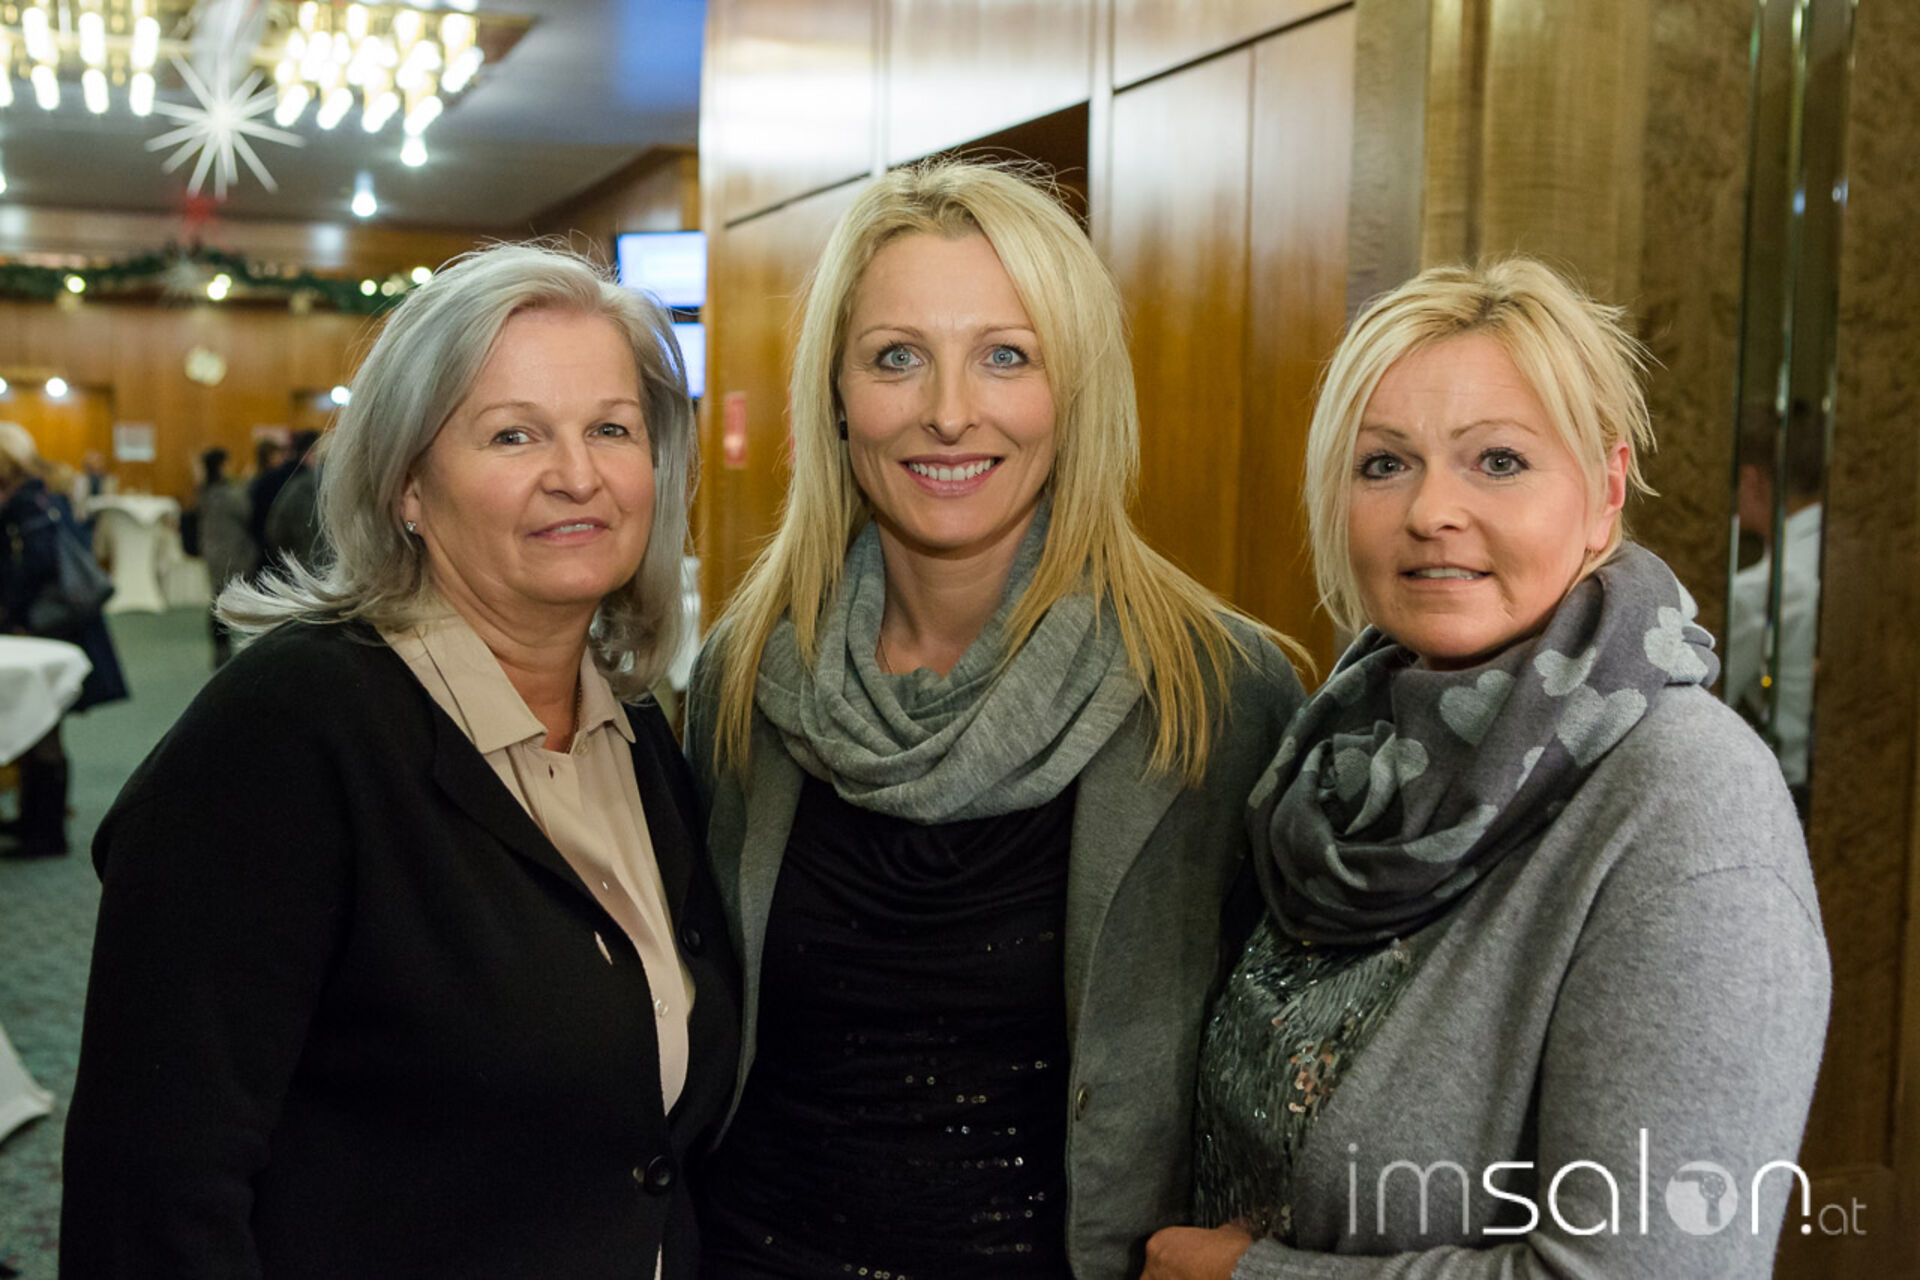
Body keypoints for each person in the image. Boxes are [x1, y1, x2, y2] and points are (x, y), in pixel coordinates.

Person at [61, 244, 740, 1278]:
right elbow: (153, 1193)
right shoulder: (284, 736)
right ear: (407, 486)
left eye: (612, 428)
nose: (579, 475)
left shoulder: (637, 730)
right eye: (513, 433)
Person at [684, 160, 1307, 1279]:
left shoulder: (1214, 692)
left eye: (1006, 355)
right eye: (897, 356)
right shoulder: (746, 674)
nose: (949, 410)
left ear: (1075, 392)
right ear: (836, 393)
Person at [1148, 258, 1831, 1278]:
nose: (1431, 510)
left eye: (1499, 461)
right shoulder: (1332, 760)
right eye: (1385, 463)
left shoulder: (1689, 802)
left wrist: (1251, 1278)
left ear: (1604, 493)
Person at [0, 421, 128, 858]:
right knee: (42, 723)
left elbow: (34, 564)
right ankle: (35, 821)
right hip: (55, 623)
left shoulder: (25, 501)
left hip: (42, 624)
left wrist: (11, 612)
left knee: (43, 729)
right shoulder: (43, 493)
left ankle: (45, 832)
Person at [194, 445, 257, 666]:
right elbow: (245, 509)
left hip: (213, 552)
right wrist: (247, 483)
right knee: (225, 600)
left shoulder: (205, 491)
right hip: (230, 552)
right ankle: (226, 651)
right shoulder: (226, 494)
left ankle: (221, 650)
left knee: (217, 597)